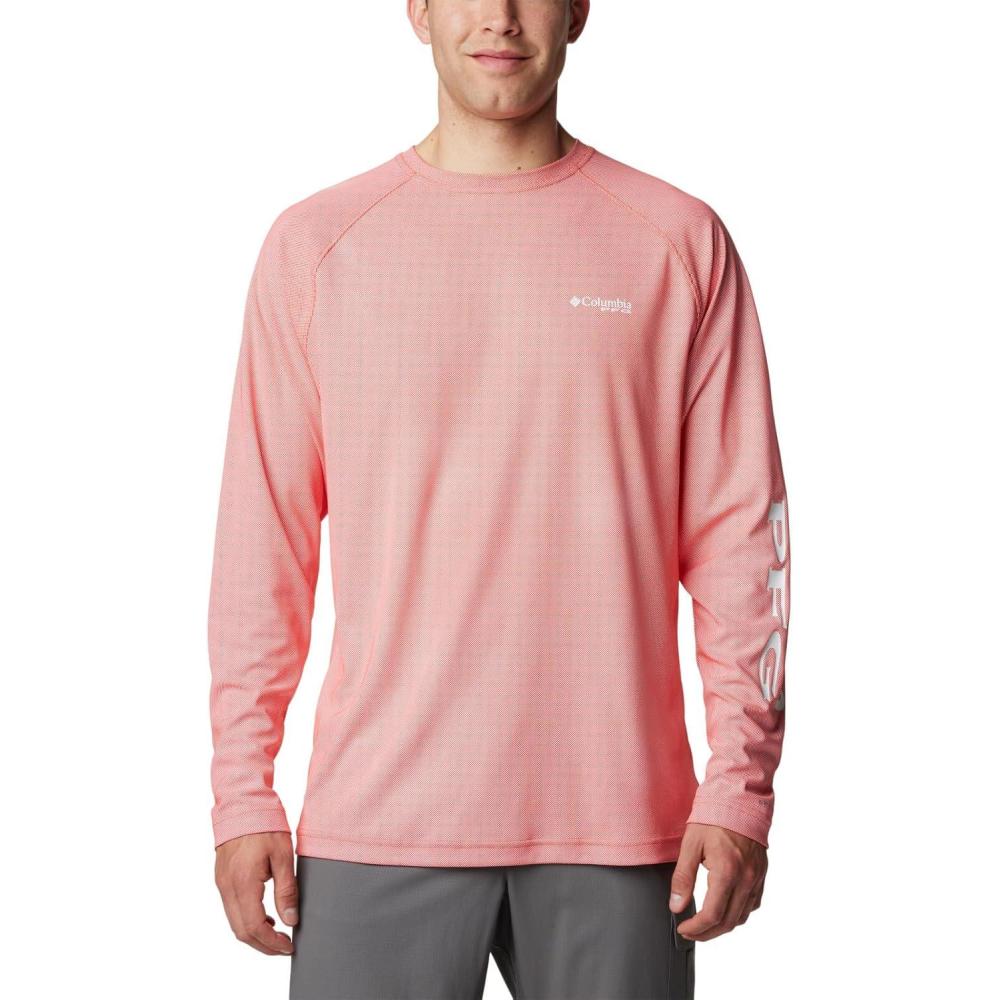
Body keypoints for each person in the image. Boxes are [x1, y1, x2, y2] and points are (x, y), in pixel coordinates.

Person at [208, 1, 790, 997]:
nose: (501, 17)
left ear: (578, 11)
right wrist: (241, 790)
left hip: (622, 824)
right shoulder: (318, 247)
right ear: (419, 10)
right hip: (377, 819)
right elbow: (262, 542)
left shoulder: (676, 241)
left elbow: (743, 542)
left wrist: (738, 788)